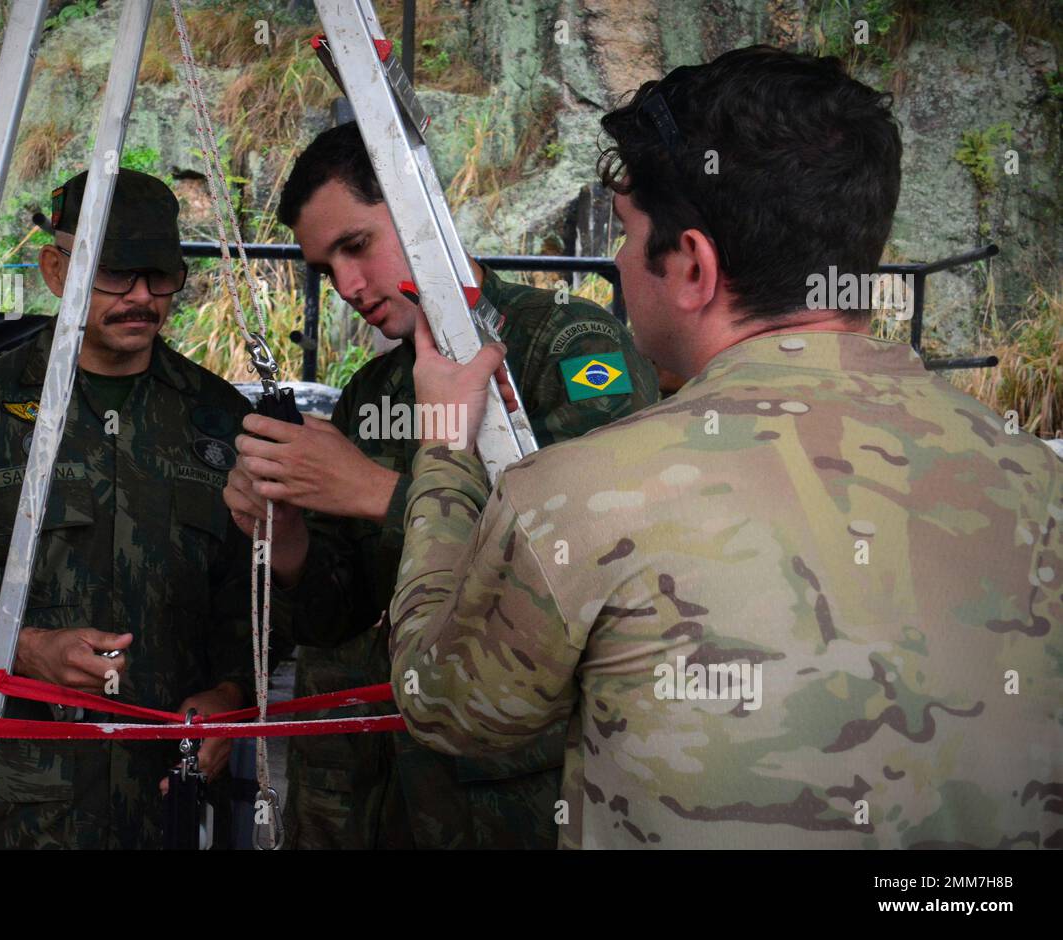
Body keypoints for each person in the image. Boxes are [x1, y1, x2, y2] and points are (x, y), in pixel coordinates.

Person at [387, 45, 1063, 849]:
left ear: (694, 266)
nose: (616, 260)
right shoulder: (1037, 483)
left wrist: (442, 446)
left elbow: (443, 701)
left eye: (629, 234)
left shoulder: (576, 499)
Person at [224, 122, 659, 848]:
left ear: (422, 213)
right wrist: (288, 537)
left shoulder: (570, 348)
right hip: (370, 798)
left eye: (356, 246)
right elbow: (337, 615)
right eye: (326, 268)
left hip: (507, 801)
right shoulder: (372, 391)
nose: (348, 288)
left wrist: (373, 490)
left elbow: (590, 561)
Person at [0, 169, 260, 849]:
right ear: (55, 267)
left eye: (160, 277)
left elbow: (249, 596)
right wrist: (20, 649)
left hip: (174, 802)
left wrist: (230, 694)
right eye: (116, 275)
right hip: (21, 804)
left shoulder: (217, 420)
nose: (141, 297)